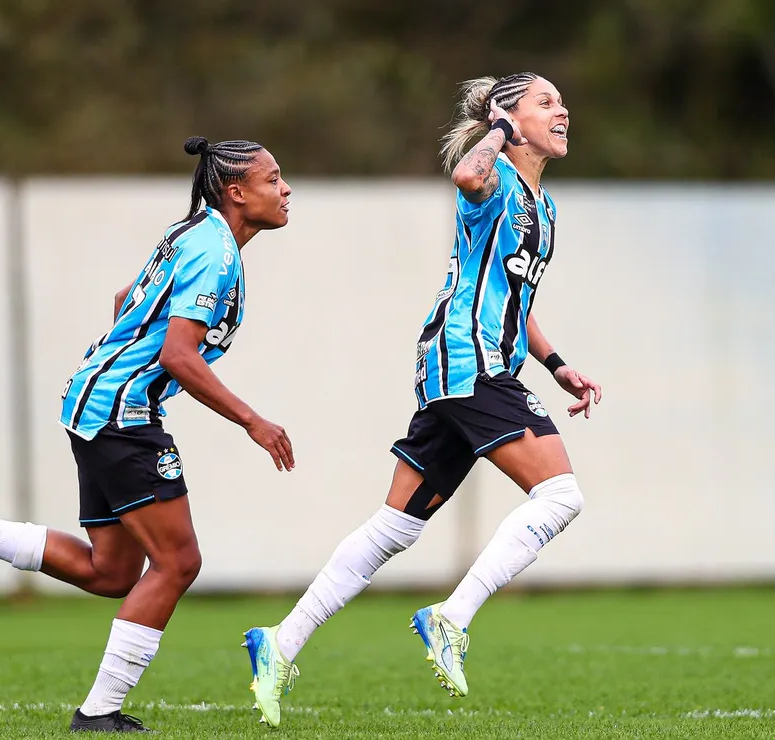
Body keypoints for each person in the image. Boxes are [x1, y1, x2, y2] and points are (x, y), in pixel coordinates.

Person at [0, 136, 296, 733]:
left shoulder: (196, 233)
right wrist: (252, 421)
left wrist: (124, 364)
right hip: (120, 415)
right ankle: (98, 713)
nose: (285, 190)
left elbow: (125, 300)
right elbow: (182, 356)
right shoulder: (215, 251)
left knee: (111, 573)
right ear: (236, 192)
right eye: (273, 179)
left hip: (100, 402)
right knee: (179, 562)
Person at [241, 72, 601, 727]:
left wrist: (558, 365)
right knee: (561, 495)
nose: (563, 110)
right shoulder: (493, 180)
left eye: (560, 101)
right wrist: (497, 131)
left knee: (396, 528)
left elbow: (515, 300)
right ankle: (450, 618)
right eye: (546, 102)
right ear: (508, 116)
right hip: (470, 364)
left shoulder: (543, 208)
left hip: (467, 365)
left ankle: (280, 643)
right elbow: (465, 178)